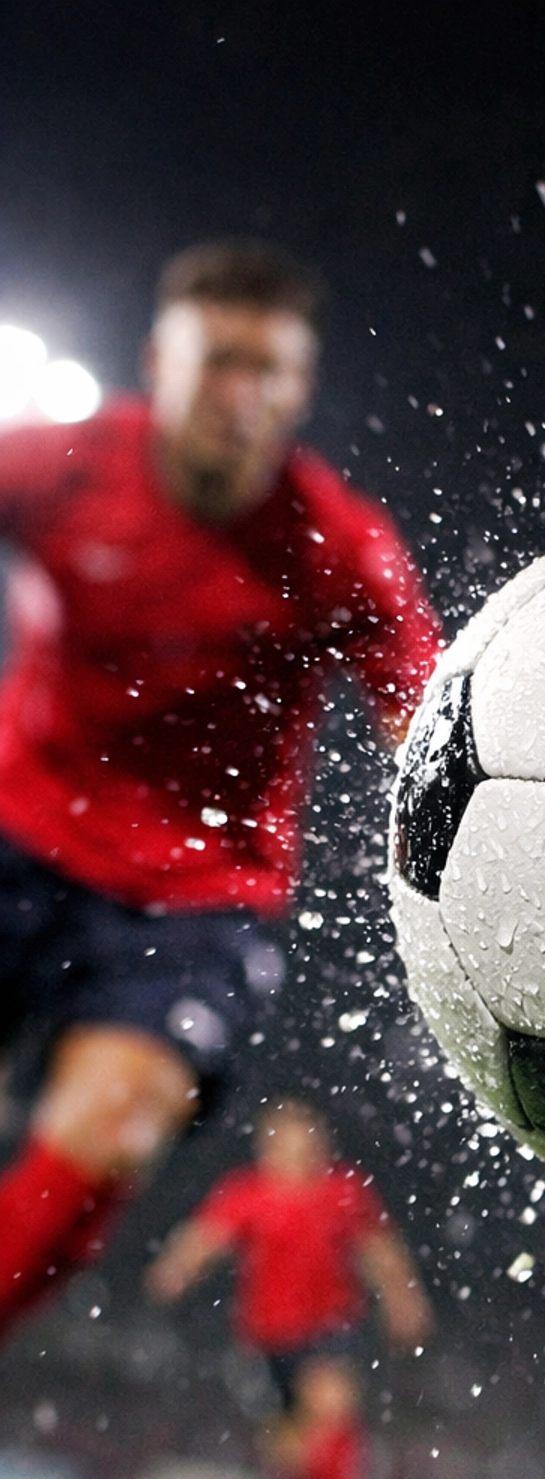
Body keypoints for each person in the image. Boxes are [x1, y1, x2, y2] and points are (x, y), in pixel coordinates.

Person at [0, 240, 438, 1338]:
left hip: (200, 892)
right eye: (221, 361)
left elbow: (429, 730)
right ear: (160, 361)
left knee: (121, 1117)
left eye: (271, 370)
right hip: (23, 828)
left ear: (302, 389)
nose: (242, 395)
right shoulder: (57, 465)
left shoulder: (339, 549)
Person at [146, 1097, 431, 1479]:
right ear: (269, 1147)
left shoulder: (343, 1191)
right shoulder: (247, 1193)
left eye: (307, 1143)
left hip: (330, 1325)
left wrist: (403, 1299)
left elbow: (379, 1249)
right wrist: (177, 1268)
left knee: (333, 1408)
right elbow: (207, 1237)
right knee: (290, 1449)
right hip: (265, 1335)